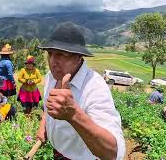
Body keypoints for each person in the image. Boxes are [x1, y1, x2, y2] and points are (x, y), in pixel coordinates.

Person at [36, 22, 125, 159]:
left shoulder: (95, 87)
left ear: (78, 57)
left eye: (61, 54)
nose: (53, 61)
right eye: (50, 53)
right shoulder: (52, 77)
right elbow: (47, 106)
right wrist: (44, 125)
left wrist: (74, 115)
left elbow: (112, 153)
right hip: (58, 153)